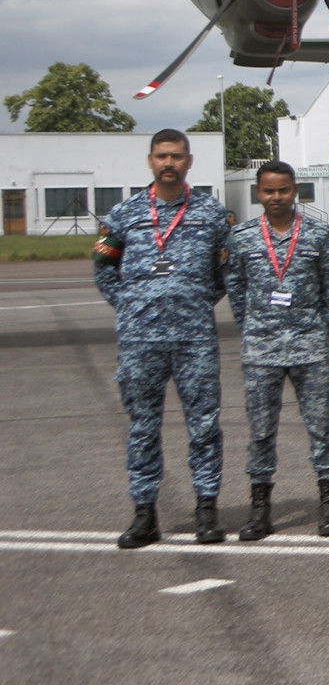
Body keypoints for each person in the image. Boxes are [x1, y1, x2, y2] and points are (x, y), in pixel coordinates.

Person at [95, 129, 230, 548]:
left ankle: (206, 511)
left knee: (204, 426)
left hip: (194, 339)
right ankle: (144, 514)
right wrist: (133, 304)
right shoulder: (122, 214)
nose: (168, 163)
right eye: (161, 156)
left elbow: (226, 273)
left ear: (189, 162)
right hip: (140, 341)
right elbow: (103, 270)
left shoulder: (212, 213)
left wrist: (193, 300)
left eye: (176, 156)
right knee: (142, 427)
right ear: (150, 161)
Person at [224, 160, 329, 541]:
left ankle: (328, 506)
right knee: (260, 432)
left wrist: (315, 328)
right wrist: (255, 328)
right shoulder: (241, 238)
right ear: (258, 193)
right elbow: (236, 292)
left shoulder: (318, 236)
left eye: (284, 190)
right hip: (261, 350)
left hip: (309, 348)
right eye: (269, 191)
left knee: (321, 428)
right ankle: (260, 511)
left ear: (296, 192)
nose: (276, 198)